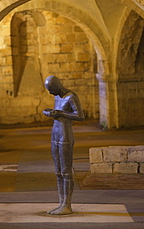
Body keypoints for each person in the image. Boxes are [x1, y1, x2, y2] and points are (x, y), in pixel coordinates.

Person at [43, 75, 84, 215]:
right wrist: (51, 113)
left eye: (51, 89)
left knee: (66, 171)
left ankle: (67, 205)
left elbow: (80, 116)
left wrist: (61, 113)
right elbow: (59, 113)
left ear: (58, 85)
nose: (50, 93)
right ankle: (61, 203)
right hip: (55, 133)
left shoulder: (71, 96)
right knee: (58, 171)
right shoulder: (57, 97)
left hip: (66, 134)